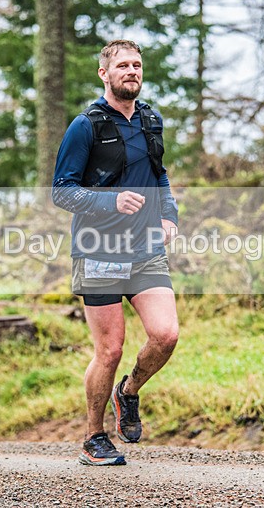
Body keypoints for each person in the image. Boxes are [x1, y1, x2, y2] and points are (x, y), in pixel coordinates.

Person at [52, 40, 180, 466]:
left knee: (166, 335)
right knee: (109, 350)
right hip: (98, 251)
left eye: (137, 64)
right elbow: (62, 191)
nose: (132, 71)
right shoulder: (85, 126)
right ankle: (93, 437)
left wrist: (169, 216)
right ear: (104, 73)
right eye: (122, 65)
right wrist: (111, 201)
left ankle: (127, 393)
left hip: (145, 250)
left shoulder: (150, 120)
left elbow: (159, 175)